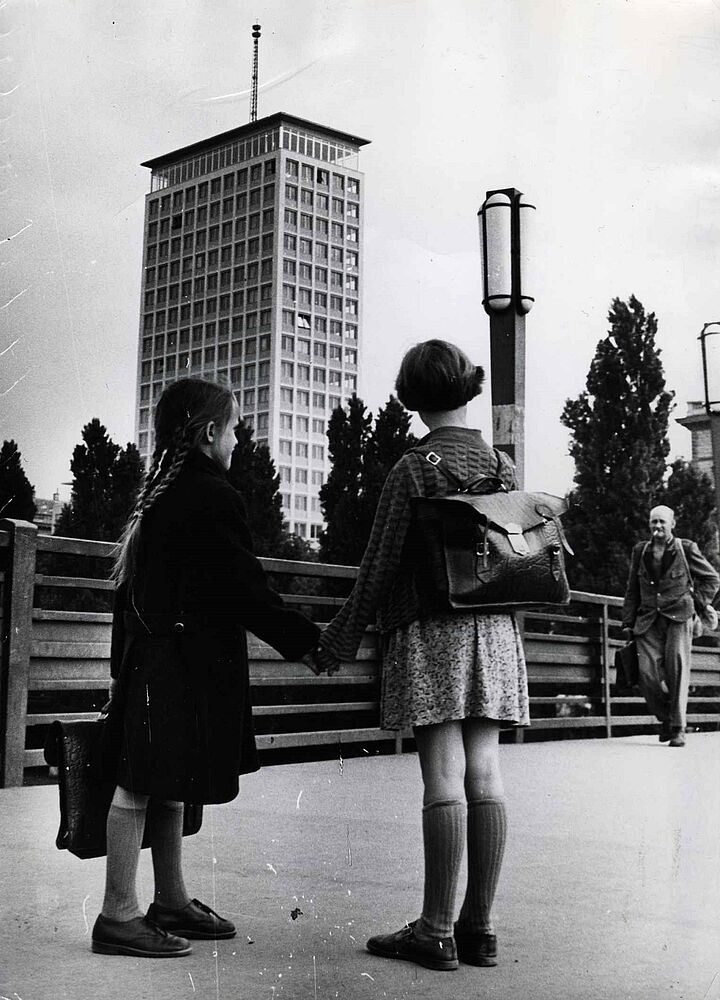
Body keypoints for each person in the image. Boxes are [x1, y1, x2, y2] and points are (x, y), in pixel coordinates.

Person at [317, 339, 529, 972]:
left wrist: (340, 636)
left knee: (442, 774)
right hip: (492, 633)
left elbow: (379, 565)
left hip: (430, 630)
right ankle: (480, 928)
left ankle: (435, 929)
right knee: (486, 770)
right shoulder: (503, 465)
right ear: (470, 388)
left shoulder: (415, 467)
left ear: (409, 398)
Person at [92, 377, 321, 958]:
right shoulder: (212, 495)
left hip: (154, 658)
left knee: (162, 776)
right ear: (210, 432)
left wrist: (122, 671)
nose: (240, 440)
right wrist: (310, 642)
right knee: (140, 783)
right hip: (179, 662)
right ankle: (118, 912)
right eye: (237, 428)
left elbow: (129, 595)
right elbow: (245, 590)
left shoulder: (161, 494)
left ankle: (169, 899)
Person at [622, 504, 718, 748]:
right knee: (645, 673)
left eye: (663, 522)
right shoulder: (640, 551)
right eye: (654, 522)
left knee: (677, 670)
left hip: (678, 617)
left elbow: (712, 578)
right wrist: (627, 622)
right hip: (647, 620)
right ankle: (668, 719)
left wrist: (696, 603)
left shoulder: (686, 548)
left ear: (673, 524)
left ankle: (677, 728)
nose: (658, 526)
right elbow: (632, 589)